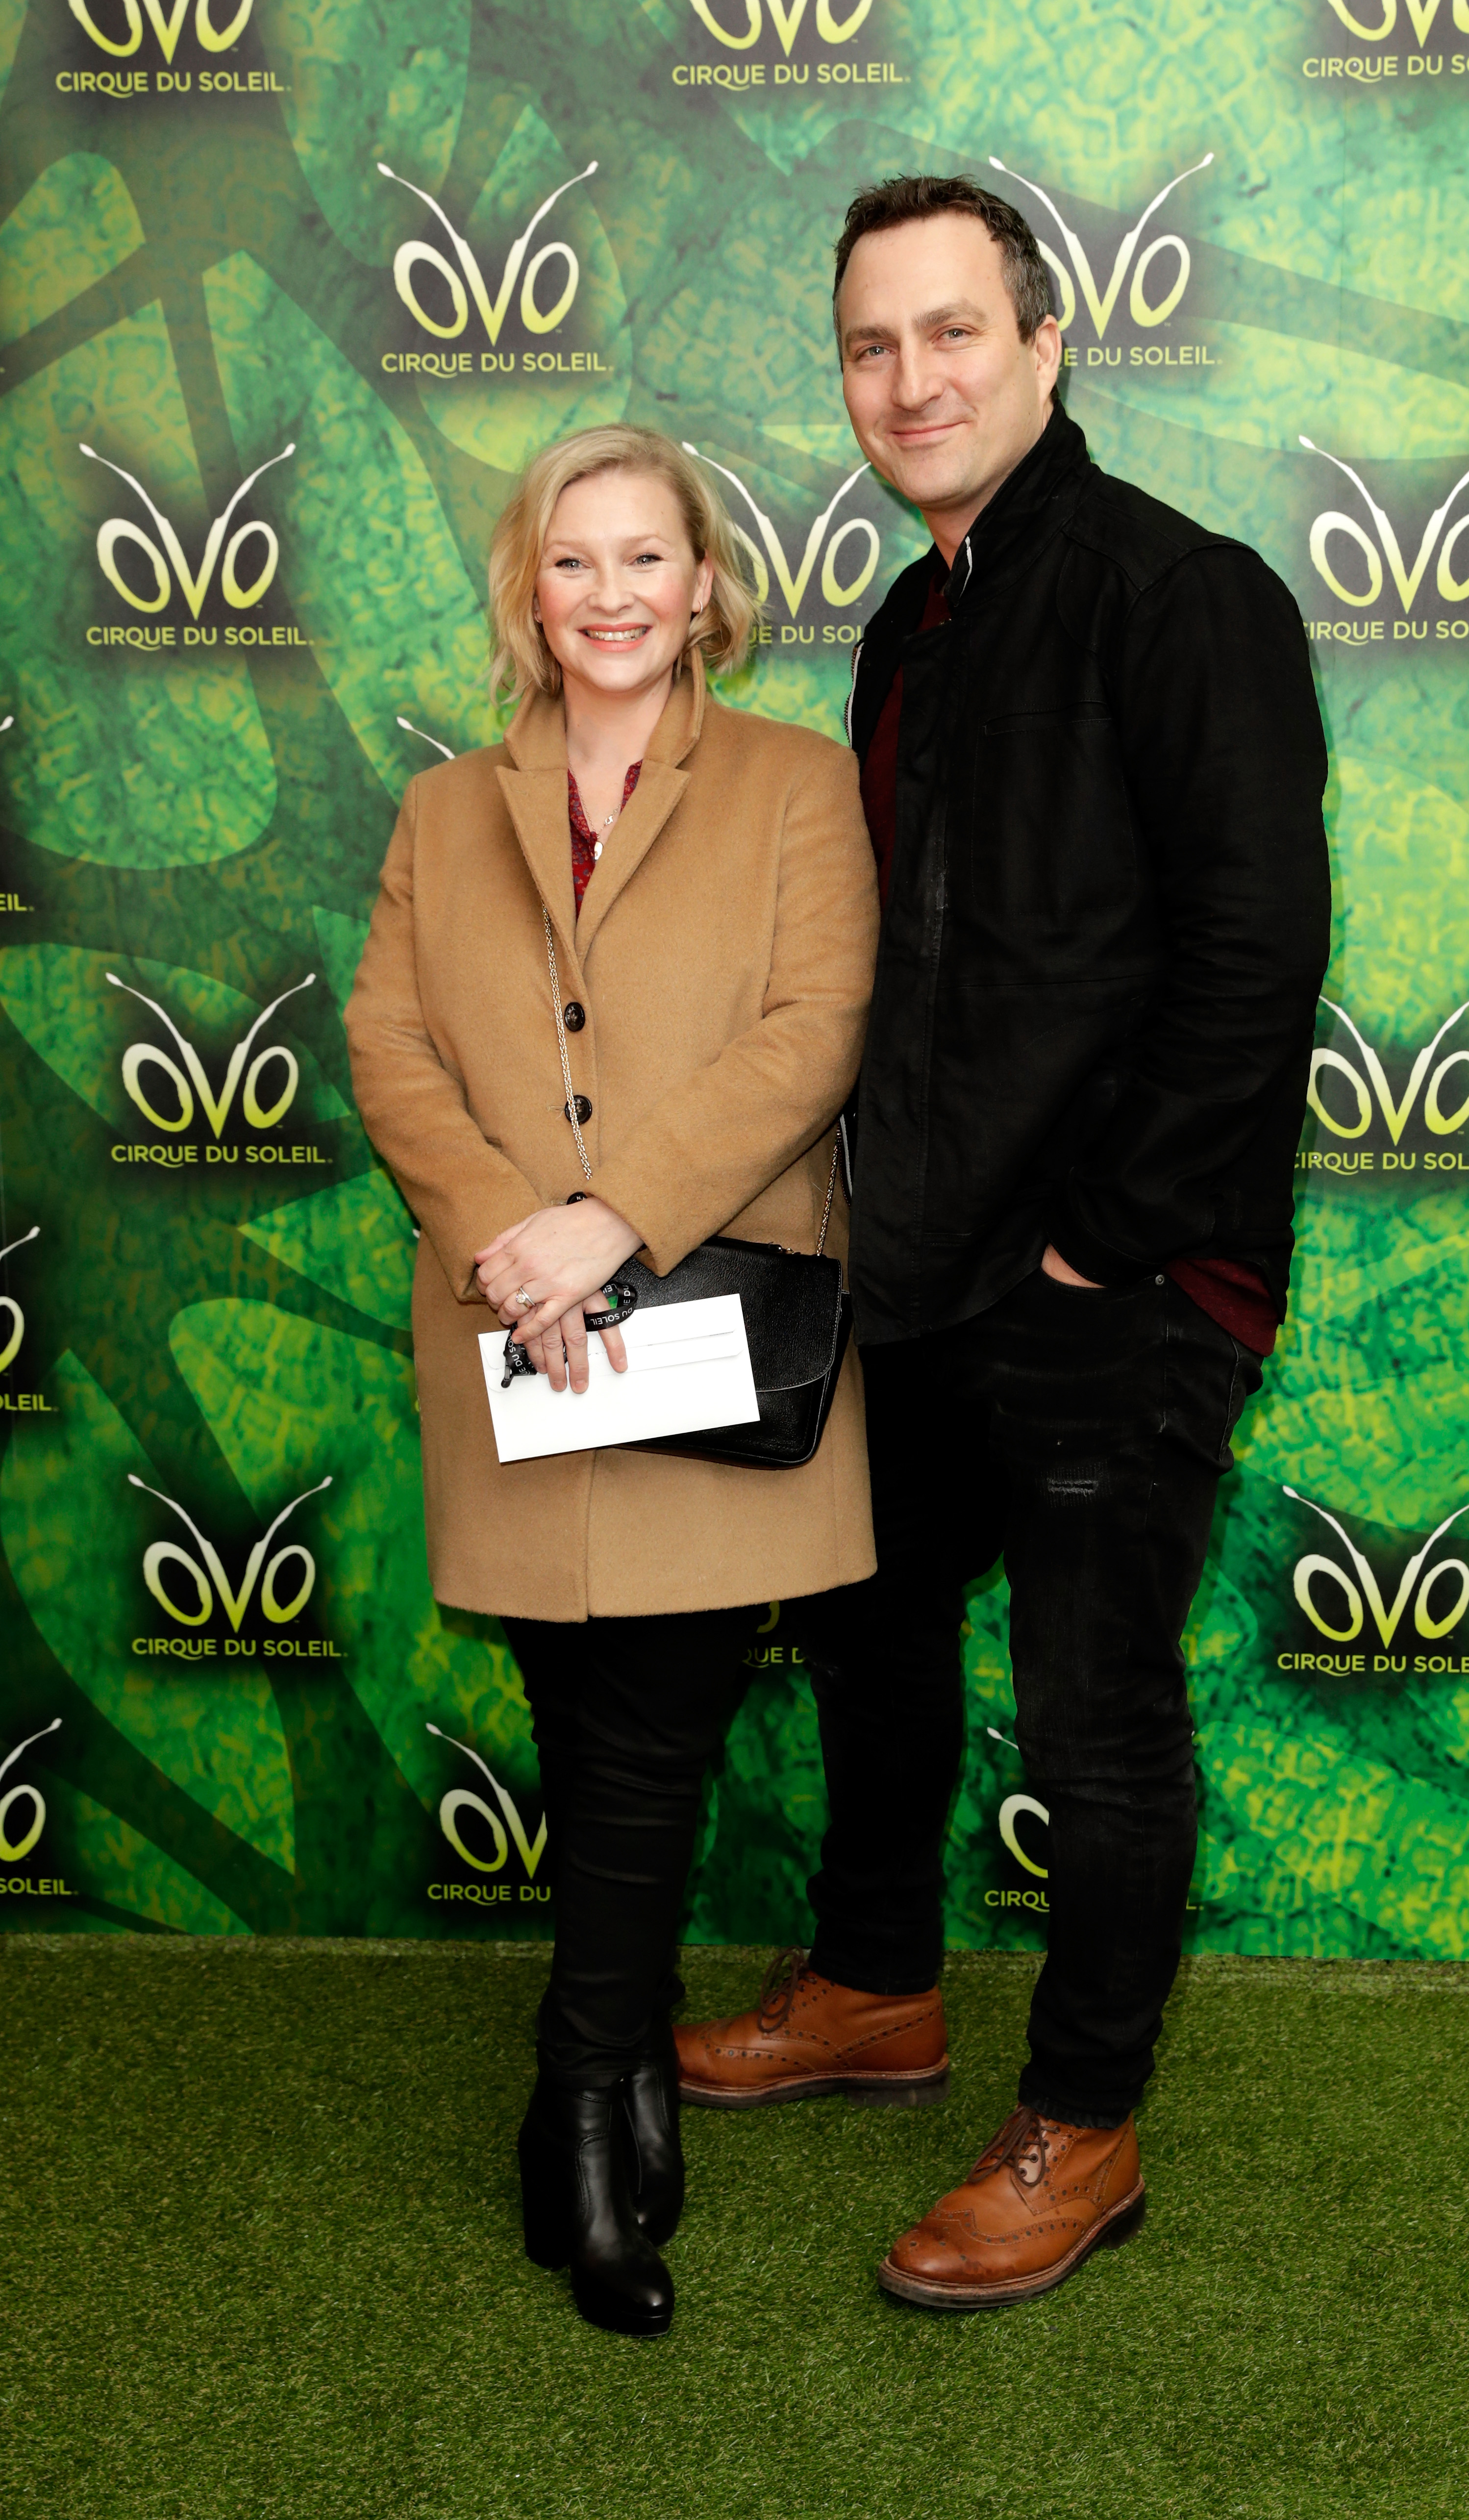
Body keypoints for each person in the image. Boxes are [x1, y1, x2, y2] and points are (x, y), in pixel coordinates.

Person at [675, 177, 1331, 2310]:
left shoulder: (1180, 592)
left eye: (951, 333)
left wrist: (1102, 1243)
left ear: (1047, 349)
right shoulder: (904, 625)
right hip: (926, 1262)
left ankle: (1083, 2126)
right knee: (863, 1627)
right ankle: (876, 1980)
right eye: (871, 346)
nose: (910, 379)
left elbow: (1252, 957)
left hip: (1117, 1279)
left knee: (1088, 1715)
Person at [345, 425, 878, 2338]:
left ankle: (575, 2113)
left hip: (697, 1325)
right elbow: (389, 1043)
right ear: (529, 591)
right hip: (512, 1335)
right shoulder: (438, 812)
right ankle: (634, 2062)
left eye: (643, 557)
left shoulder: (800, 791)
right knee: (583, 1726)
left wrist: (610, 1223)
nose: (610, 595)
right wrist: (510, 1233)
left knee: (650, 1726)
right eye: (571, 563)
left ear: (705, 582)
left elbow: (812, 1033)